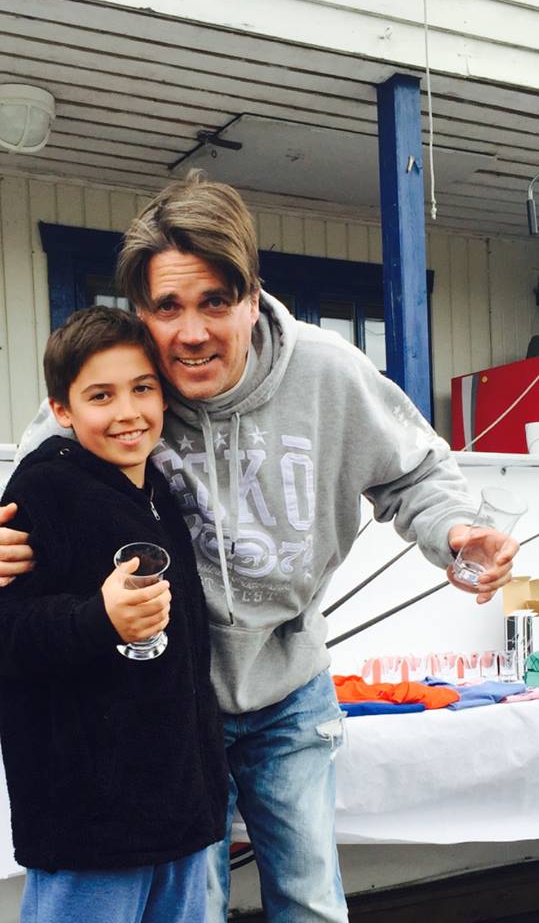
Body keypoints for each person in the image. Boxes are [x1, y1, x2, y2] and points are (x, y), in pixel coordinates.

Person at [0, 172, 519, 923]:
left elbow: (415, 474)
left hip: (290, 684)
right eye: (167, 307)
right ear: (141, 311)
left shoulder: (330, 371)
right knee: (199, 902)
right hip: (176, 702)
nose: (191, 332)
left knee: (309, 898)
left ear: (252, 296)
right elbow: (32, 489)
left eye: (215, 301)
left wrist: (455, 532)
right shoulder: (123, 383)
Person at [0, 306, 227, 923]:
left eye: (142, 388)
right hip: (88, 825)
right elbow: (8, 631)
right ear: (62, 409)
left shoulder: (158, 490)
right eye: (101, 395)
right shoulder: (41, 491)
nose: (128, 411)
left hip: (177, 811)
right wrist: (99, 619)